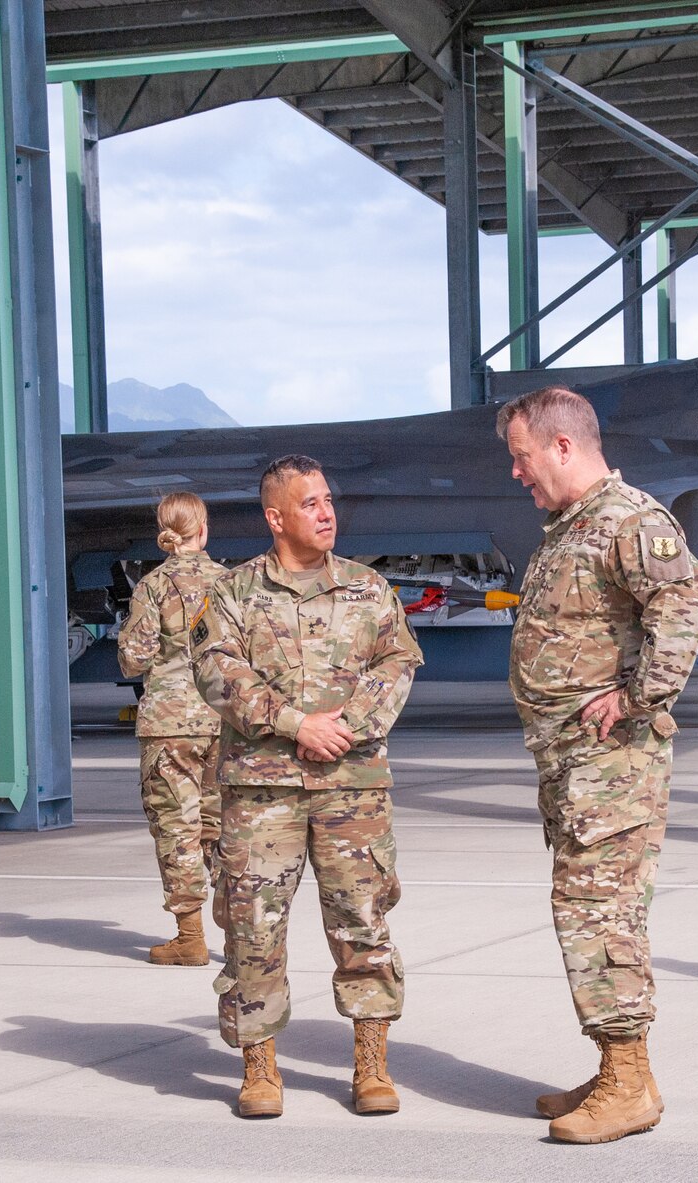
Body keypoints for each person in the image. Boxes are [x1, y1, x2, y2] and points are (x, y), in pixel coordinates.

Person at [497, 387, 698, 1145]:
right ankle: (619, 1067)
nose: (518, 473)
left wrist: (635, 696)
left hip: (611, 764)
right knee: (587, 908)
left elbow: (684, 601)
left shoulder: (629, 520)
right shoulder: (569, 528)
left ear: (561, 446)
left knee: (597, 912)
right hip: (573, 763)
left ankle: (628, 1082)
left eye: (523, 457)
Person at [192, 454, 423, 1119]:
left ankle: (371, 1064)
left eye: (327, 500)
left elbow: (397, 660)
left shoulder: (368, 588)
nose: (326, 513)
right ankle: (260, 1067)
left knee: (363, 921)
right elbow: (218, 673)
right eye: (310, 503)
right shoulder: (234, 593)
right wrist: (297, 724)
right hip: (262, 792)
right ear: (276, 517)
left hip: (351, 786)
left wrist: (344, 727)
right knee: (253, 926)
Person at [116, 491, 227, 967]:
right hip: (225, 723)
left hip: (169, 726)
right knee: (224, 829)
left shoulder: (152, 586)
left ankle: (190, 937)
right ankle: (246, 937)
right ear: (202, 529)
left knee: (176, 829)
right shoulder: (232, 583)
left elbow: (132, 660)